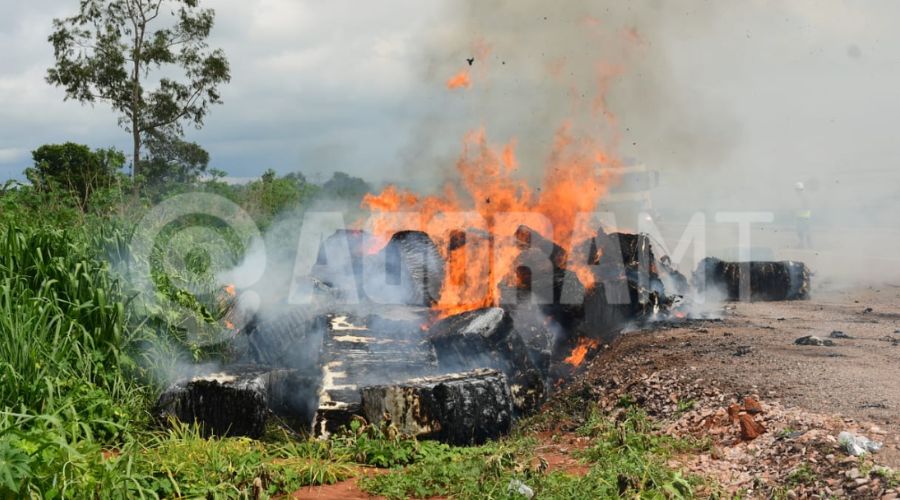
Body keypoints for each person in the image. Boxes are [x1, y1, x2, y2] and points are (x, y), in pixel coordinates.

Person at [794, 182, 812, 249]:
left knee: (805, 231)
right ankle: (803, 244)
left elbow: (807, 206)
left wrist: (800, 208)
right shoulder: (800, 197)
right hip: (800, 217)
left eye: (797, 190)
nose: (797, 191)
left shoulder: (804, 197)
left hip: (804, 217)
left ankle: (809, 245)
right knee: (800, 232)